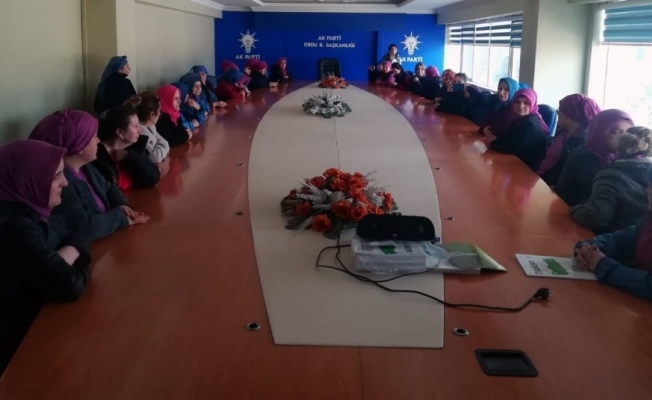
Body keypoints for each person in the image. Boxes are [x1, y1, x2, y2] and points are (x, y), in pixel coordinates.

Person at [0, 140, 91, 374]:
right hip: (18, 352)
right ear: (27, 179)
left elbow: (77, 237)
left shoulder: (33, 208)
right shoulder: (15, 225)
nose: (66, 183)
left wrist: (65, 255)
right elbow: (68, 285)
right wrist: (70, 258)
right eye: (56, 176)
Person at [29, 109, 148, 241]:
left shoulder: (86, 168)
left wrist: (120, 205)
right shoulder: (61, 183)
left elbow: (109, 187)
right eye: (93, 137)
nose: (98, 140)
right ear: (79, 145)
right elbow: (85, 226)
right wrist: (119, 217)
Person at [574, 167, 652, 302]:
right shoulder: (648, 221)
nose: (646, 190)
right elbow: (619, 241)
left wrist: (603, 266)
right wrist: (589, 247)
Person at [570, 126, 652, 234]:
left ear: (619, 145)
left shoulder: (610, 175)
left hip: (613, 239)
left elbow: (595, 218)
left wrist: (575, 209)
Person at [555, 109, 634, 207]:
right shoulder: (580, 155)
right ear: (600, 131)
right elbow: (563, 192)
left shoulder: (634, 160)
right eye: (615, 132)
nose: (623, 138)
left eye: (627, 133)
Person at [538, 94, 602, 186]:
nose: (558, 114)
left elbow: (562, 172)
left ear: (571, 116)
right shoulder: (562, 131)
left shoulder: (583, 143)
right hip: (541, 177)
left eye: (560, 111)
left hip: (551, 185)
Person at [93, 105, 161, 190]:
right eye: (135, 126)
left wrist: (129, 156)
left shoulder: (135, 146)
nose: (140, 130)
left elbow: (153, 177)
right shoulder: (96, 157)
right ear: (120, 132)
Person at [483, 88, 549, 171]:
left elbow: (515, 148)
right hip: (515, 161)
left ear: (532, 104)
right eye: (517, 102)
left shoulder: (531, 124)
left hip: (527, 169)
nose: (521, 106)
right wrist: (495, 139)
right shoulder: (519, 118)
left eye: (526, 103)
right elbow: (509, 137)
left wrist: (494, 142)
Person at [126, 92, 170, 165]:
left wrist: (159, 147)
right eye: (159, 110)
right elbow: (156, 157)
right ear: (152, 114)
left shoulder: (151, 126)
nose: (160, 113)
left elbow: (165, 143)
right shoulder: (139, 132)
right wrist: (162, 148)